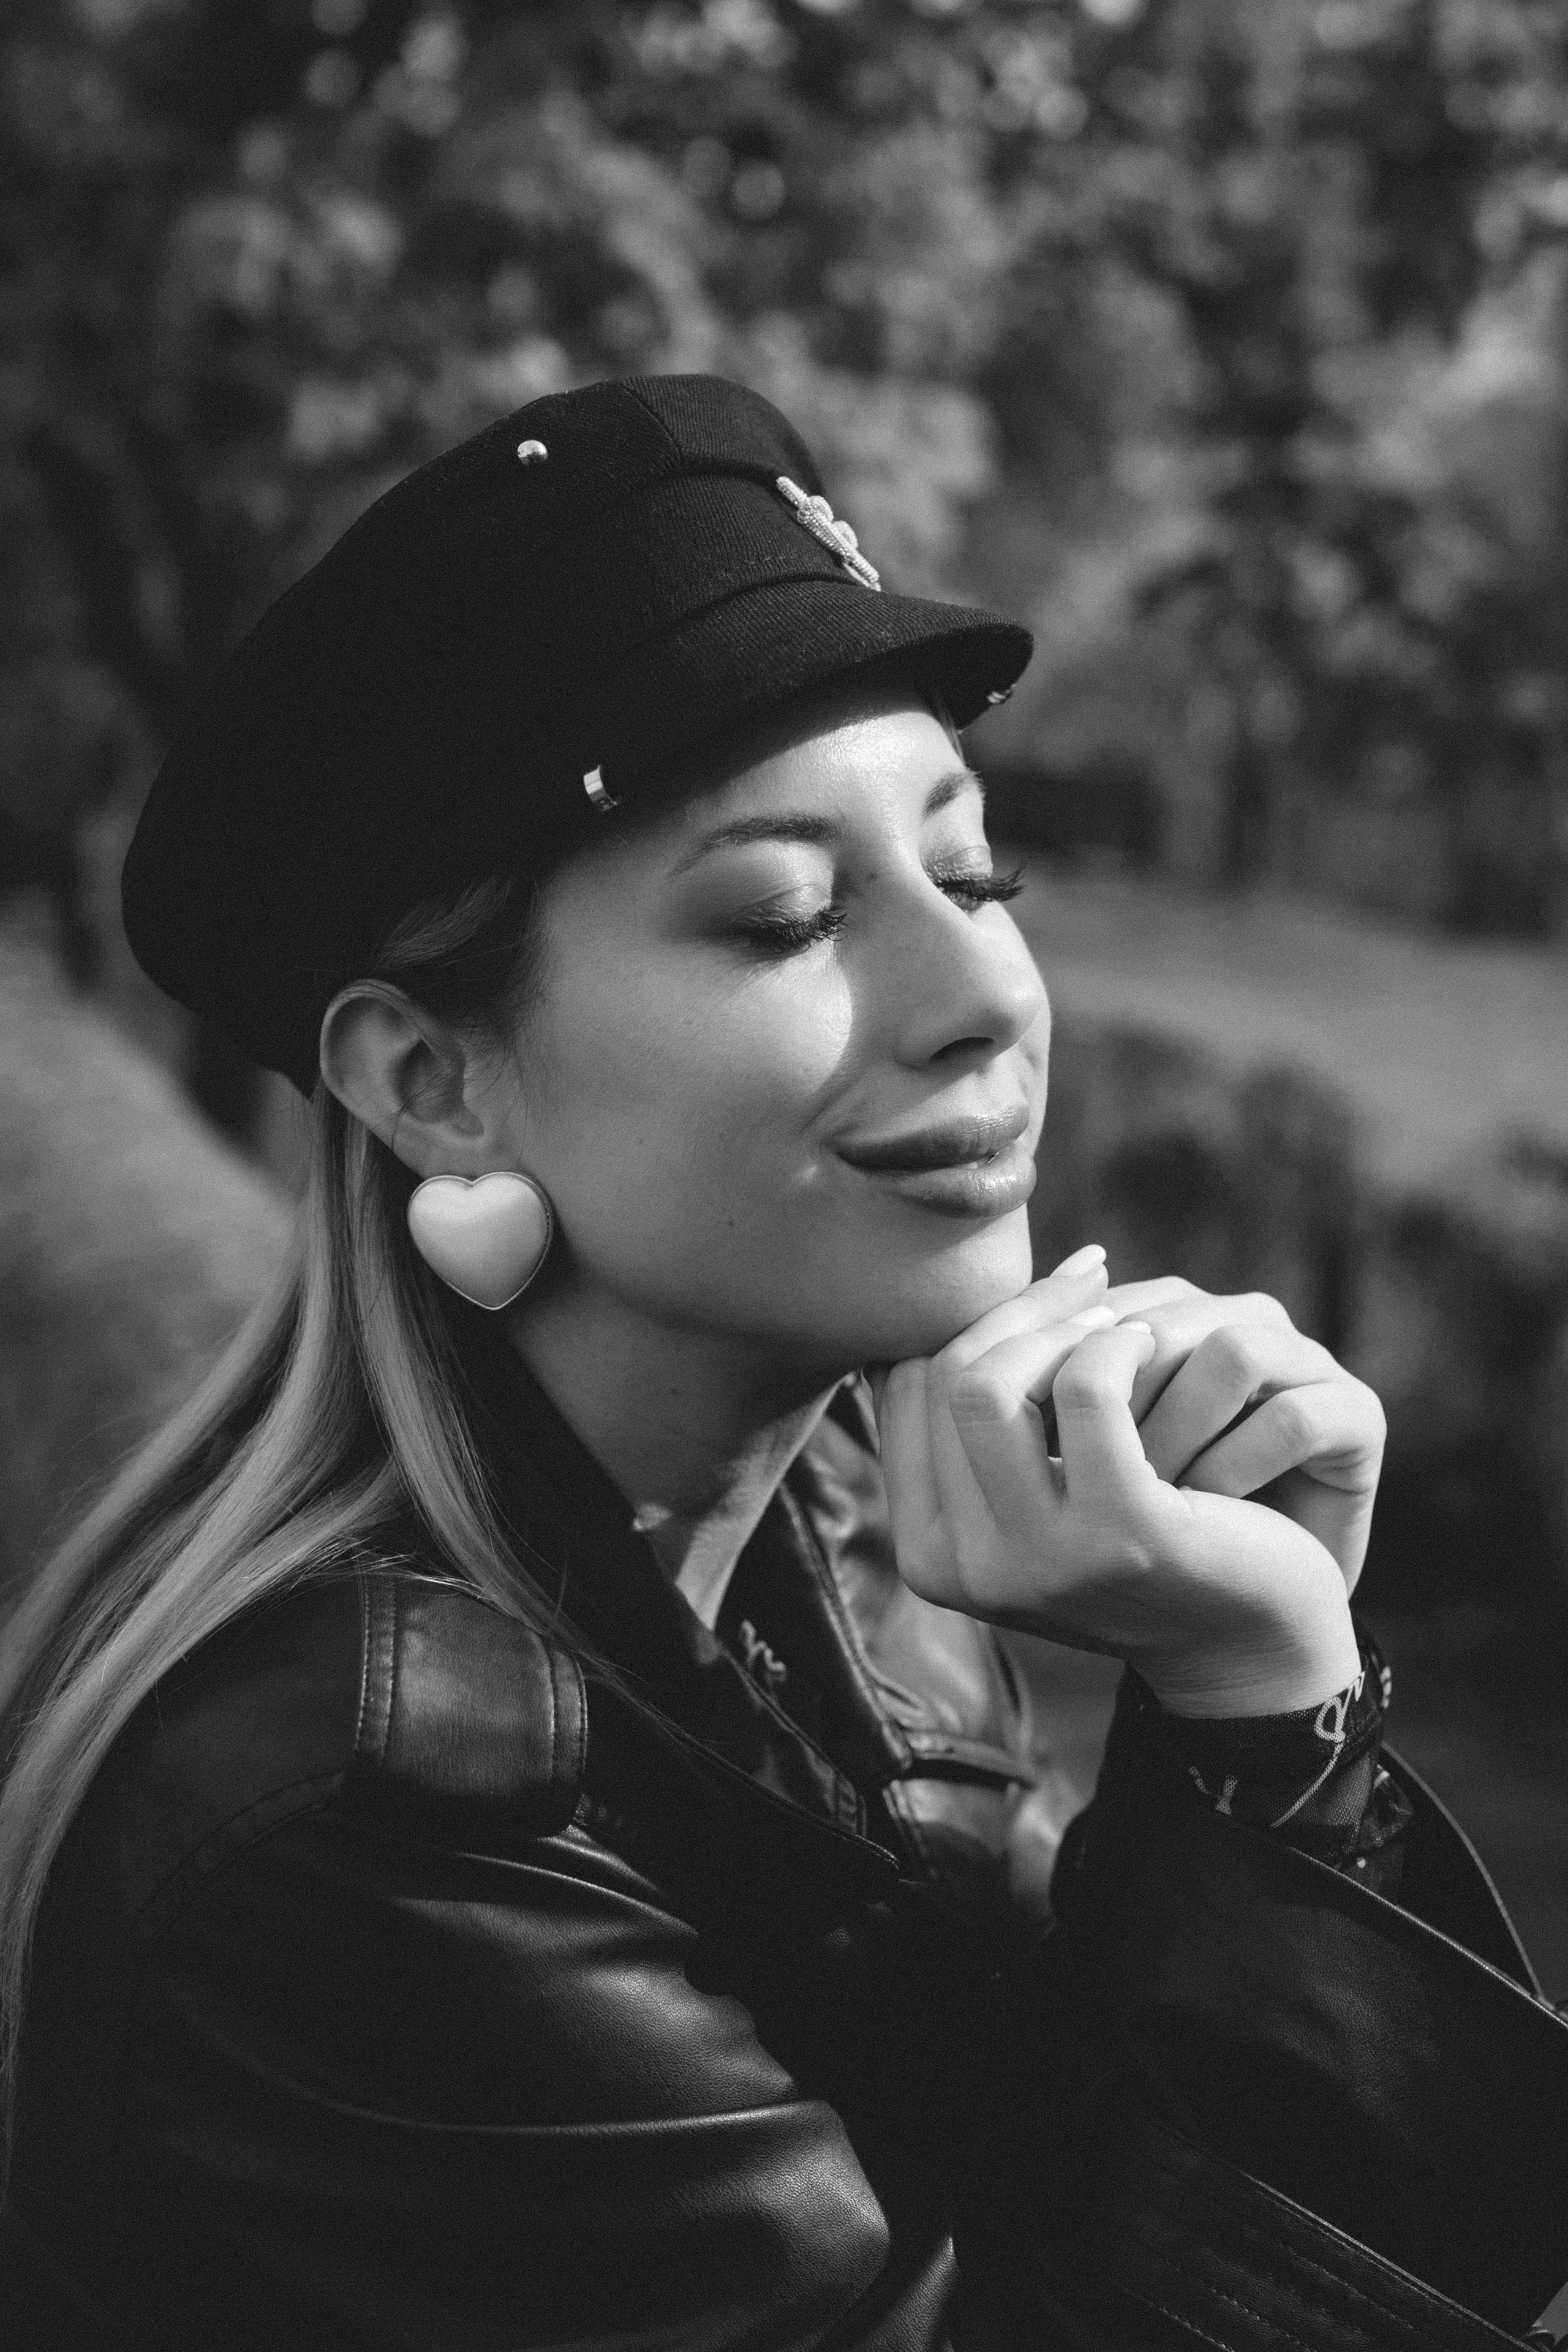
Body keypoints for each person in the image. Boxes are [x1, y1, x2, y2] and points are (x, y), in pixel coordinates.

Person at [0, 374, 1564, 2352]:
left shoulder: (844, 1528)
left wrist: (1238, 1729)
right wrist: (1275, 1703)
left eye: (975, 871)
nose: (986, 990)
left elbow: (1054, 2192)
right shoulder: (366, 1837)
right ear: (437, 1082)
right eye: (786, 912)